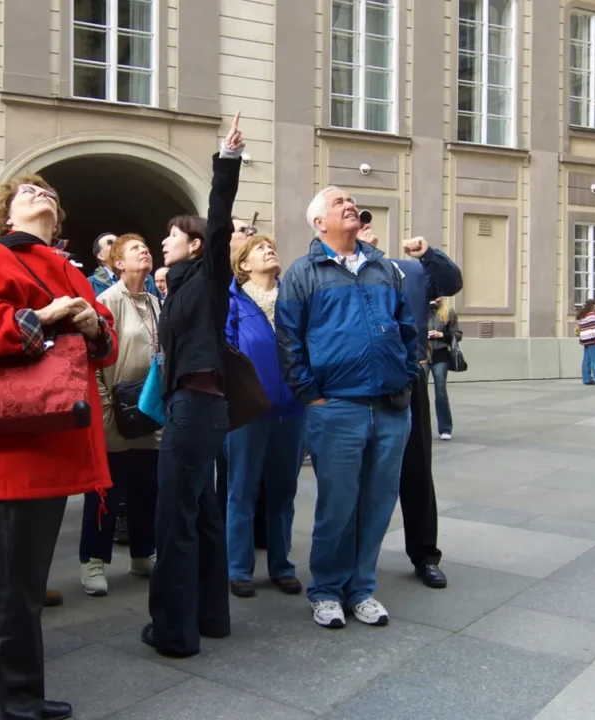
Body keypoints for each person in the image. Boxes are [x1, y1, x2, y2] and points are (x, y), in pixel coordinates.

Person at [0, 173, 116, 720]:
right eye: (26, 193)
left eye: (47, 192)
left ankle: (21, 696)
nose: (41, 194)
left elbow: (103, 349)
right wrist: (41, 317)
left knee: (26, 581)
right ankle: (11, 705)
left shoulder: (67, 266)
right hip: (19, 440)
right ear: (5, 214)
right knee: (18, 585)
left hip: (57, 431)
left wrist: (93, 325)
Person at [276, 186, 419, 629]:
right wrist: (310, 394)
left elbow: (407, 327)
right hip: (336, 407)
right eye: (338, 202)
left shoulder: (383, 267)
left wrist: (408, 373)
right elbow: (289, 341)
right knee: (337, 504)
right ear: (319, 223)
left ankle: (361, 589)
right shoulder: (303, 273)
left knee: (378, 503)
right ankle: (325, 589)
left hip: (391, 407)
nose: (350, 204)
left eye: (351, 200)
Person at [143, 112, 247, 659]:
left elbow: (221, 220)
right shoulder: (179, 290)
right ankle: (212, 618)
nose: (164, 242)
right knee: (203, 513)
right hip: (200, 410)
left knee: (174, 521)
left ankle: (173, 632)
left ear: (196, 246)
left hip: (195, 409)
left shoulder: (207, 279)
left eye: (172, 236)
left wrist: (226, 162)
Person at [358, 228, 462, 591]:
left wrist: (428, 253)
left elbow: (451, 281)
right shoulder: (336, 271)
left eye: (367, 223)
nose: (364, 229)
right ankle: (355, 558)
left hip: (409, 376)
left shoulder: (409, 271)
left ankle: (425, 556)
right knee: (359, 472)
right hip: (360, 381)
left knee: (416, 469)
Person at [223, 234, 305, 599]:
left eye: (273, 245)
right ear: (243, 265)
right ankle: (238, 568)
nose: (270, 249)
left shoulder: (294, 300)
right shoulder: (232, 302)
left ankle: (281, 565)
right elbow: (225, 353)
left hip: (294, 410)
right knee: (242, 490)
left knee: (284, 490)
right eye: (260, 248)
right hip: (248, 413)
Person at [83, 233, 162, 597]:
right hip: (115, 409)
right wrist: (105, 413)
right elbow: (93, 362)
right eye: (135, 249)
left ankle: (143, 553)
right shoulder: (106, 302)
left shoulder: (156, 302)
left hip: (148, 408)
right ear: (117, 263)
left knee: (147, 485)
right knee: (107, 490)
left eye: (145, 247)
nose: (144, 250)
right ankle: (93, 561)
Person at [428, 297, 462, 440]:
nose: (437, 298)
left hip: (440, 356)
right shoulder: (419, 309)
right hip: (422, 354)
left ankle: (445, 428)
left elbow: (458, 334)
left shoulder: (448, 311)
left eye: (439, 295)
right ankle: (417, 428)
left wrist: (441, 335)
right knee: (418, 394)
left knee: (440, 392)